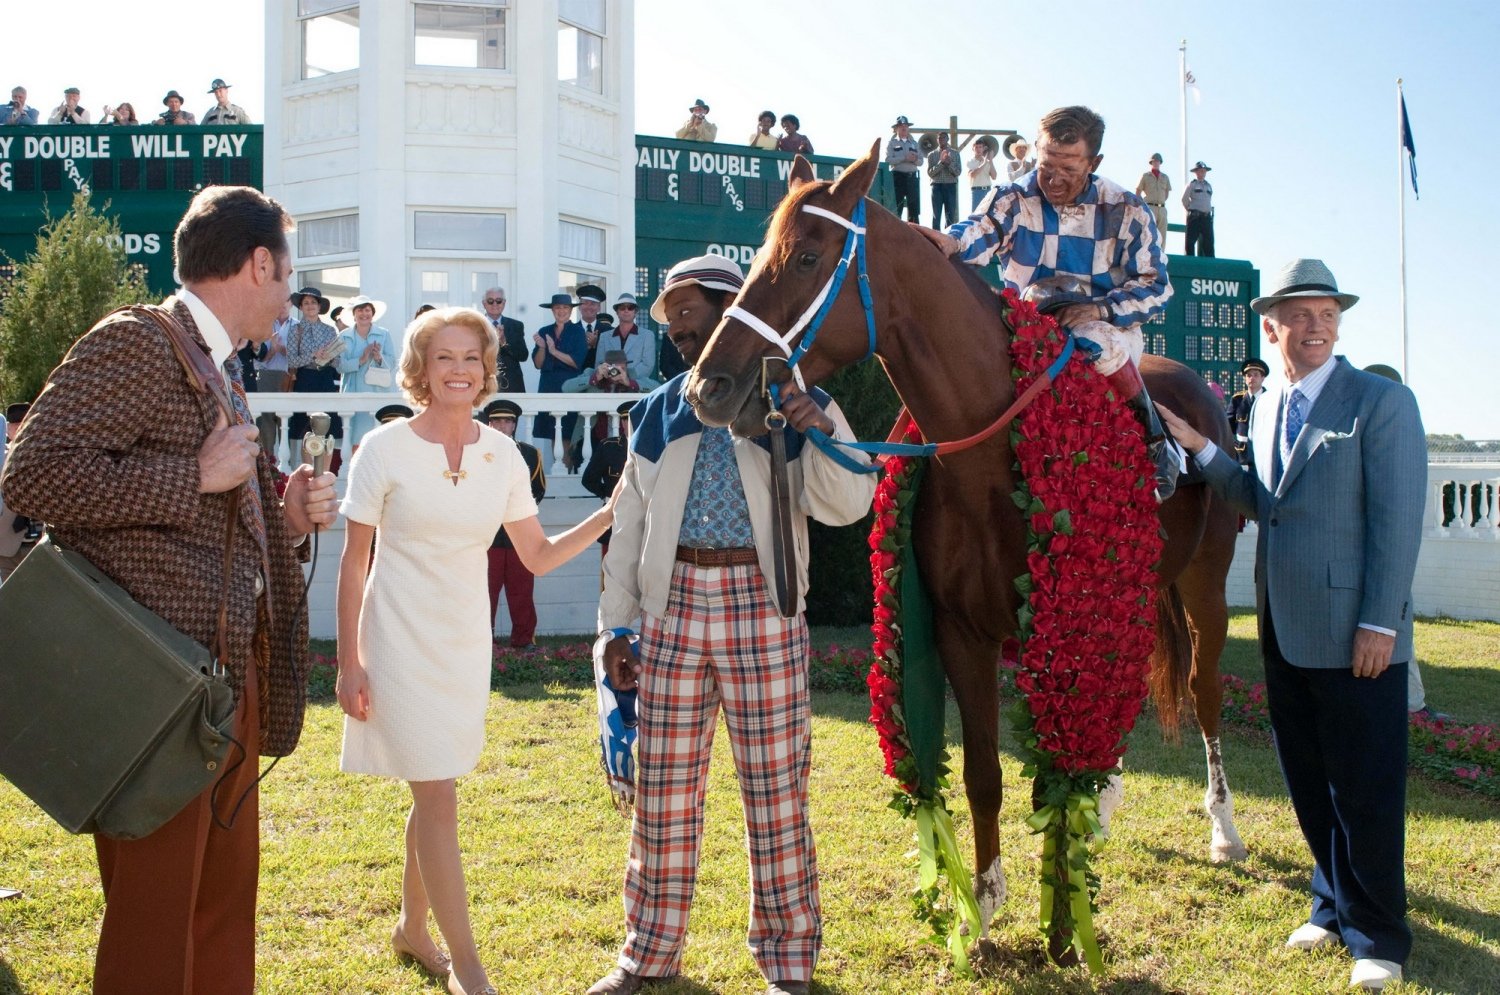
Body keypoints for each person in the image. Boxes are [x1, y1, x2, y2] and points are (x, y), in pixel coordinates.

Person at [0, 184, 339, 994]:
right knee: (155, 925)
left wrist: (287, 518)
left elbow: (219, 518)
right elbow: (31, 474)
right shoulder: (137, 341)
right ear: (258, 264)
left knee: (220, 911)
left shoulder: (216, 363)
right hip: (154, 696)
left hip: (220, 686)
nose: (289, 294)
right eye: (287, 273)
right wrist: (192, 473)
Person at [587, 255, 875, 995]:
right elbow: (629, 522)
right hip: (671, 608)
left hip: (764, 605)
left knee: (777, 791)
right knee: (662, 792)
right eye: (670, 318)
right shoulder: (657, 409)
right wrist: (615, 628)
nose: (677, 328)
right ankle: (647, 954)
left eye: (688, 310)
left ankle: (788, 963)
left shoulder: (791, 399)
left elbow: (849, 503)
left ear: (730, 308)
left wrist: (821, 425)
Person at [1155, 258, 1426, 992]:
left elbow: (1398, 524)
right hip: (1283, 626)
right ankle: (1330, 907)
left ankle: (1379, 937)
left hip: (1356, 634)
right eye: (1300, 315)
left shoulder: (1382, 402)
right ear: (1270, 329)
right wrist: (1201, 449)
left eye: (1327, 314)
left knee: (1365, 789)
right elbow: (1261, 501)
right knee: (1309, 781)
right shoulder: (1269, 404)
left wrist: (1380, 623)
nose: (1316, 326)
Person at [335, 307, 616, 995]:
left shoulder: (504, 455)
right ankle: (469, 968)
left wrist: (611, 513)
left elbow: (537, 555)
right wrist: (348, 662)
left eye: (471, 357)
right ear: (420, 368)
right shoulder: (383, 449)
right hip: (396, 641)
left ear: (488, 368)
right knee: (437, 796)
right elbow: (352, 563)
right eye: (444, 357)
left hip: (464, 644)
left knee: (435, 783)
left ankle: (411, 926)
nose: (459, 370)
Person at [917, 105, 1178, 501]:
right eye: (1046, 166)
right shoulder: (1013, 197)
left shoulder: (1127, 209)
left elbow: (1157, 286)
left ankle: (1153, 441)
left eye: (1068, 169)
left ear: (1094, 163)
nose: (1053, 180)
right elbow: (981, 229)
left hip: (1103, 325)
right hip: (1026, 325)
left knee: (1098, 342)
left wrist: (1100, 309)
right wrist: (952, 241)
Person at [481, 398, 546, 649]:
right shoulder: (475, 453)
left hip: (520, 532)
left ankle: (523, 639)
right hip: (487, 533)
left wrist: (518, 512)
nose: (501, 426)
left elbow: (538, 489)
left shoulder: (529, 454)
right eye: (496, 421)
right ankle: (482, 641)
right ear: (489, 423)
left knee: (521, 589)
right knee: (485, 590)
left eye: (507, 421)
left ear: (514, 425)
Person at [531, 292, 588, 470]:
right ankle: (559, 472)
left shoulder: (578, 331)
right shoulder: (544, 331)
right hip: (548, 386)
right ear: (552, 310)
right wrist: (542, 347)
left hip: (569, 387)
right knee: (553, 434)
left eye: (565, 307)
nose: (561, 311)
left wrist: (554, 351)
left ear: (570, 310)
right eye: (557, 308)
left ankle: (567, 474)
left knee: (568, 434)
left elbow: (577, 362)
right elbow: (538, 364)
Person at [334, 294, 398, 449]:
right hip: (354, 393)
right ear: (354, 314)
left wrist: (378, 357)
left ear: (372, 313)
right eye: (360, 310)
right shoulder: (343, 336)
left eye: (367, 310)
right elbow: (339, 366)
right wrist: (361, 359)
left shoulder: (384, 334)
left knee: (380, 441)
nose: (364, 314)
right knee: (357, 440)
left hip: (379, 393)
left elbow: (392, 363)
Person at [285, 286, 343, 446]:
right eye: (306, 303)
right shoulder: (295, 330)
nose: (310, 306)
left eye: (313, 302)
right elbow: (291, 361)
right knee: (305, 430)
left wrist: (328, 358)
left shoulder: (330, 330)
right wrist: (313, 355)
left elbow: (338, 362)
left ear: (319, 306)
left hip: (325, 379)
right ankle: (306, 462)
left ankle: (325, 461)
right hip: (305, 379)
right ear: (301, 307)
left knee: (328, 428)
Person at [601, 293, 658, 387]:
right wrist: (612, 376)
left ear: (635, 312)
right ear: (617, 312)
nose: (626, 310)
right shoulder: (604, 336)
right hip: (610, 387)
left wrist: (626, 377)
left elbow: (648, 365)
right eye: (622, 308)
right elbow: (599, 363)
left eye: (630, 307)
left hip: (636, 386)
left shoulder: (647, 335)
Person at [480, 286, 528, 392]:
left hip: (511, 383)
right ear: (484, 303)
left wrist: (504, 342)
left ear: (504, 303)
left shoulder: (516, 325)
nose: (495, 304)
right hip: (483, 381)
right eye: (490, 301)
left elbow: (523, 356)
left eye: (499, 301)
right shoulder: (476, 325)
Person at [1227, 357, 1269, 466]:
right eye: (1249, 375)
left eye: (1256, 375)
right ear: (1245, 378)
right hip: (1241, 455)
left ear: (1263, 378)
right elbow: (1228, 426)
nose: (1252, 378)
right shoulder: (1237, 399)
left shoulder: (1271, 399)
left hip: (1264, 453)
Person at [885, 115, 922, 223]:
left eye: (906, 125)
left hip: (912, 178)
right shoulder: (892, 143)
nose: (904, 128)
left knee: (914, 209)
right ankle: (895, 229)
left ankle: (914, 231)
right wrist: (904, 158)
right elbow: (888, 160)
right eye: (901, 126)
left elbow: (921, 161)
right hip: (898, 178)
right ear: (896, 128)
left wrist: (914, 159)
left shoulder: (914, 144)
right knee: (897, 207)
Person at [926, 131, 961, 229]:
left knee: (950, 216)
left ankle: (948, 236)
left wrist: (949, 164)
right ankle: (934, 237)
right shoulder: (932, 155)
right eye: (939, 138)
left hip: (950, 186)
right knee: (936, 215)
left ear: (948, 139)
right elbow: (930, 173)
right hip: (936, 186)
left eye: (944, 138)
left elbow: (958, 172)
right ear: (937, 140)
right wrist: (941, 163)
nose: (942, 140)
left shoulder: (955, 154)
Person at [1182, 160, 1214, 257]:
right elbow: (1184, 199)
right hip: (1195, 217)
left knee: (1209, 243)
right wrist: (1192, 209)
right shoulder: (1192, 184)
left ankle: (1210, 263)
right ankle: (1190, 262)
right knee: (1190, 242)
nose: (1202, 172)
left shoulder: (1209, 186)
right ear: (1196, 172)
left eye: (1204, 171)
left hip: (1206, 217)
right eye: (1200, 170)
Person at [1135, 152, 1171, 238]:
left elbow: (1166, 194)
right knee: (1148, 234)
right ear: (1151, 162)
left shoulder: (1165, 177)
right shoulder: (1145, 176)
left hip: (1162, 208)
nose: (1156, 163)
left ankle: (1161, 248)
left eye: (1158, 161)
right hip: (1149, 207)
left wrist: (1160, 201)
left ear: (1160, 162)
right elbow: (1138, 191)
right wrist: (1143, 205)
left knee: (1162, 235)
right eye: (1154, 161)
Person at [966, 135, 998, 211]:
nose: (978, 149)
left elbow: (994, 176)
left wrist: (990, 160)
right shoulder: (970, 161)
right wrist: (984, 163)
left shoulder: (988, 162)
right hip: (977, 191)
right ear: (973, 149)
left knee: (988, 215)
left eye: (980, 147)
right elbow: (973, 175)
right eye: (976, 147)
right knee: (976, 215)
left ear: (983, 148)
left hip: (988, 191)